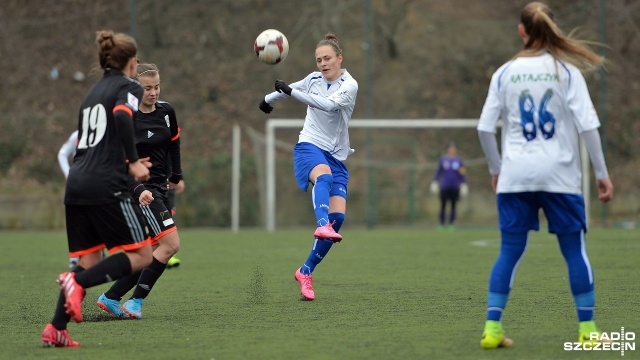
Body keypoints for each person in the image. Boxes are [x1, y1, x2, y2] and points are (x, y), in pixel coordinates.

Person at [476, 2, 614, 349]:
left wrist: (497, 169)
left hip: (516, 176)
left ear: (522, 31)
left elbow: (483, 129)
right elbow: (589, 127)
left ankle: (492, 329)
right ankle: (588, 331)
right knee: (573, 251)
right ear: (550, 27)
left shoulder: (504, 73)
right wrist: (602, 173)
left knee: (509, 251)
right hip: (560, 176)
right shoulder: (566, 72)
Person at [41, 30, 153, 348]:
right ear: (132, 63)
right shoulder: (128, 86)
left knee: (90, 264)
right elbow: (120, 115)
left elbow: (93, 141)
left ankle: (56, 329)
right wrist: (131, 162)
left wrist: (122, 156)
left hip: (77, 183)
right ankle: (73, 281)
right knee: (142, 255)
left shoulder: (91, 93)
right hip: (105, 185)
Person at [258, 33, 358, 301]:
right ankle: (321, 223)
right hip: (309, 147)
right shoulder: (313, 79)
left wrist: (291, 92)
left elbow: (325, 106)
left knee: (339, 219)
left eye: (327, 58)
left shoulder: (349, 86)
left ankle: (305, 271)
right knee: (322, 177)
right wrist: (267, 99)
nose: (323, 64)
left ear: (339, 58)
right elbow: (290, 88)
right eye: (318, 60)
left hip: (335, 155)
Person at [96, 62, 183, 319]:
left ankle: (112, 298)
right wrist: (137, 188)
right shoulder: (126, 117)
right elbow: (120, 160)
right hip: (138, 190)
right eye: (147, 88)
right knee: (170, 245)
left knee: (148, 253)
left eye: (156, 87)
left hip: (159, 188)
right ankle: (134, 302)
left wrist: (176, 174)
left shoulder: (167, 111)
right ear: (135, 89)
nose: (153, 92)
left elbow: (174, 144)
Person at [430, 141, 467, 231]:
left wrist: (463, 183)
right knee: (443, 205)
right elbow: (439, 171)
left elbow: (462, 173)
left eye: (454, 148)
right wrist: (435, 181)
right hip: (445, 186)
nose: (452, 150)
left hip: (455, 186)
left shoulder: (459, 160)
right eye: (450, 148)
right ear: (448, 149)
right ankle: (442, 224)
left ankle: (451, 224)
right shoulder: (443, 160)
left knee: (453, 205)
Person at [57, 130, 81, 269]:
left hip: (98, 181)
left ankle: (99, 252)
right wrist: (68, 174)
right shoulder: (77, 135)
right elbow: (62, 153)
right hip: (78, 182)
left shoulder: (106, 131)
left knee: (98, 217)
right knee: (76, 219)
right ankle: (74, 257)